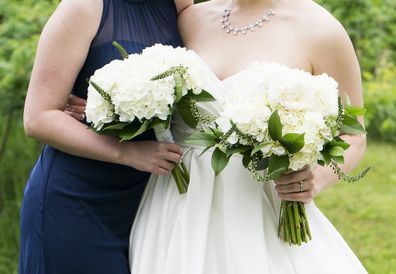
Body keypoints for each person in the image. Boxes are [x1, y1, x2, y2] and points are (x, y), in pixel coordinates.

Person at [126, 0, 368, 273]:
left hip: (260, 209)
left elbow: (354, 134)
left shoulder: (320, 29)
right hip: (175, 203)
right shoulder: (190, 19)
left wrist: (317, 178)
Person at [19, 0, 192, 273]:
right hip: (77, 201)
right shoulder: (84, 7)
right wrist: (128, 152)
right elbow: (38, 117)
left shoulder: (181, 7)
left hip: (148, 207)